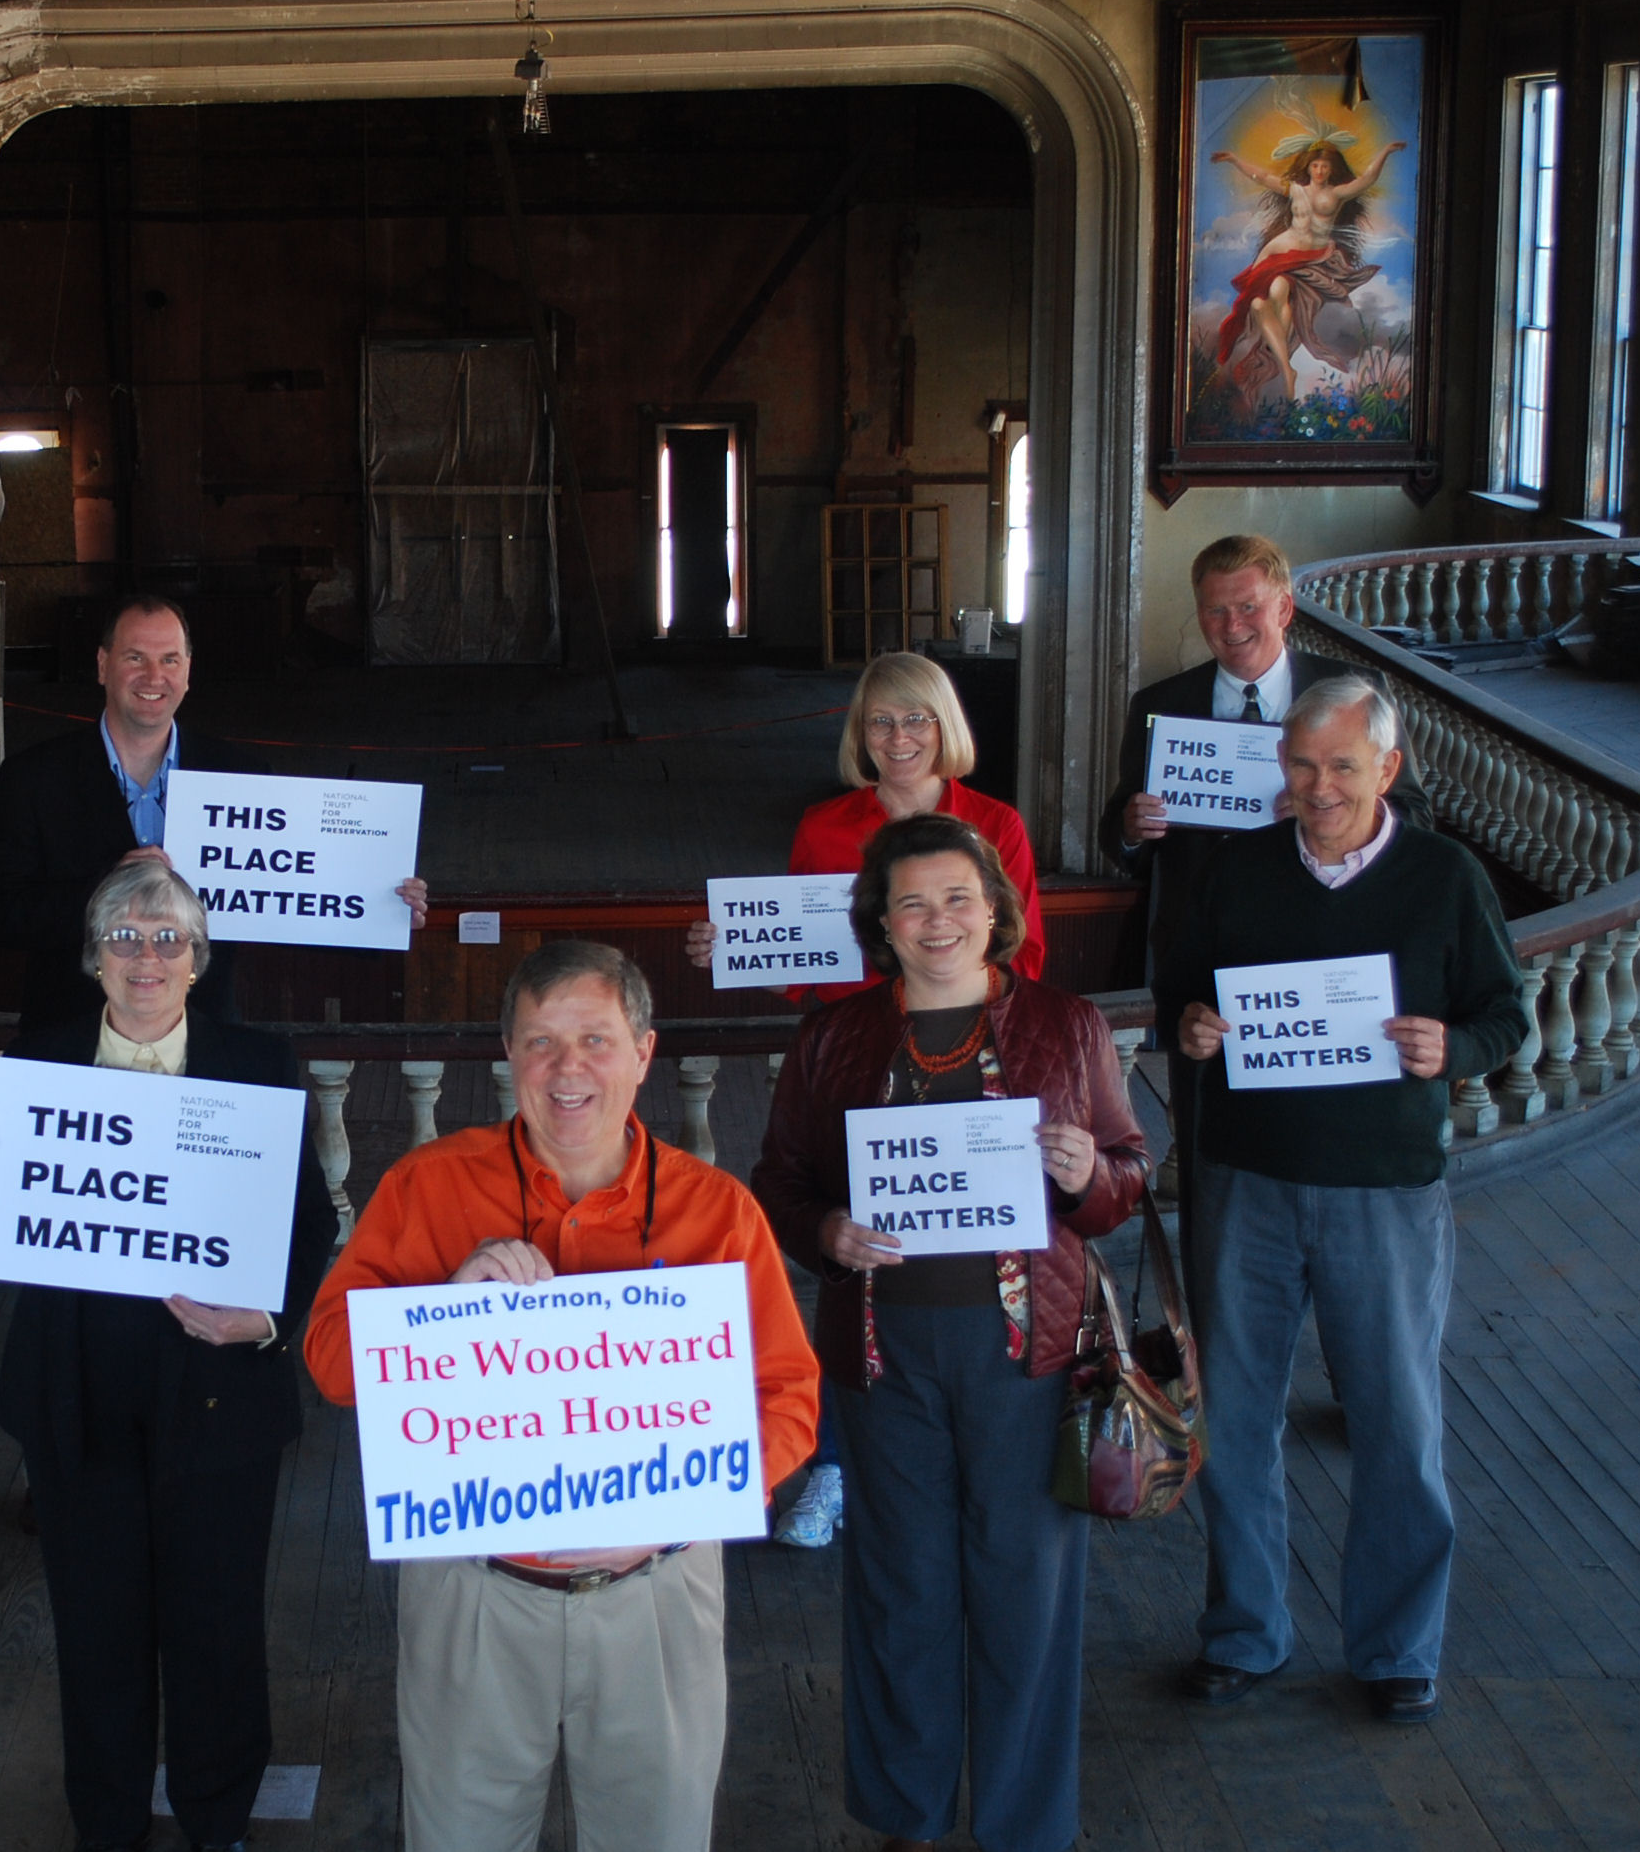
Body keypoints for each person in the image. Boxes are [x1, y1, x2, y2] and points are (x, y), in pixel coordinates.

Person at [302, 941, 820, 1852]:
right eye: (540, 1041)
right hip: (474, 1590)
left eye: (595, 1038)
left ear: (645, 1052)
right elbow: (330, 1359)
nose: (567, 1067)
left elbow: (786, 1401)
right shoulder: (428, 1185)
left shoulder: (718, 1209)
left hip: (655, 1588)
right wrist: (444, 1309)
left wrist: (667, 1513)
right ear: (508, 1054)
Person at [751, 813, 1145, 1852]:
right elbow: (780, 1180)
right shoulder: (835, 1035)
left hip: (1028, 1357)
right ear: (880, 920)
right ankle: (905, 1815)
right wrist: (827, 1230)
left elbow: (1128, 1175)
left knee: (1027, 1593)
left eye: (957, 897)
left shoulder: (1067, 1027)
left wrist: (1085, 1176)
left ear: (995, 909)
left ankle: (1020, 1824)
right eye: (913, 901)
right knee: (899, 1591)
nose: (937, 919)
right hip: (883, 1359)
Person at [0, 858, 336, 1852]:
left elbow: (308, 1225)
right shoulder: (41, 1061)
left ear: (197, 959)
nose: (146, 957)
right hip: (79, 1391)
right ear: (92, 958)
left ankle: (217, 1820)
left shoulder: (258, 1062)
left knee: (216, 1626)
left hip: (220, 1391)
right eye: (124, 937)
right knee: (96, 1631)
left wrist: (267, 1321)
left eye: (167, 940)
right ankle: (105, 1826)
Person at [1158, 675, 1525, 1725]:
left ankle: (1397, 1645)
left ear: (1387, 769)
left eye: (1340, 767)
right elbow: (1184, 987)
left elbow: (1507, 1016)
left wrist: (1451, 1046)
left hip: (1383, 1188)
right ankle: (1243, 1629)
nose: (1317, 788)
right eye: (1301, 764)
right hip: (1245, 1181)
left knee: (1397, 1423)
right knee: (1231, 1418)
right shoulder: (1236, 870)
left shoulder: (1444, 876)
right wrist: (1190, 1028)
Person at [687, 649, 1045, 1548]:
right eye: (881, 721)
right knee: (854, 1260)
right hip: (858, 1076)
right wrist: (736, 949)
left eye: (916, 719)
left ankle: (980, 1454)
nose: (898, 738)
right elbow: (808, 968)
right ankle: (839, 1466)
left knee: (975, 1270)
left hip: (967, 1068)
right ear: (860, 733)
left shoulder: (994, 823)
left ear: (944, 728)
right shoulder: (823, 826)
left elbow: (1025, 958)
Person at [1099, 533, 1430, 1234]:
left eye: (1246, 606)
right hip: (1209, 953)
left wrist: (1337, 805)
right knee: (1209, 1140)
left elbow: (1415, 816)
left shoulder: (1351, 693)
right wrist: (1130, 825)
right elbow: (1119, 837)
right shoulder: (1161, 704)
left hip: (1328, 948)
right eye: (1213, 612)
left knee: (1322, 1123)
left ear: (1284, 606)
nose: (1231, 626)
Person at [0, 595, 429, 1033]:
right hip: (72, 1036)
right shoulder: (33, 777)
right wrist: (104, 892)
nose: (154, 676)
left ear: (188, 671)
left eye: (170, 659)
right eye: (135, 658)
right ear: (102, 665)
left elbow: (284, 899)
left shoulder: (240, 773)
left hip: (204, 1039)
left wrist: (379, 911)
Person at [1209, 137, 1409, 411]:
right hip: (1281, 252)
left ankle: (1285, 368)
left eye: (1325, 166)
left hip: (1312, 258)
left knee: (1277, 293)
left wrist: (1385, 151)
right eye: (1315, 165)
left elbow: (1366, 179)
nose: (1319, 171)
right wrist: (1234, 160)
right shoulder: (1296, 190)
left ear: (1331, 169)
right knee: (1257, 303)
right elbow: (1263, 176)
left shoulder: (1336, 194)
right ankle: (1285, 368)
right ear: (1309, 167)